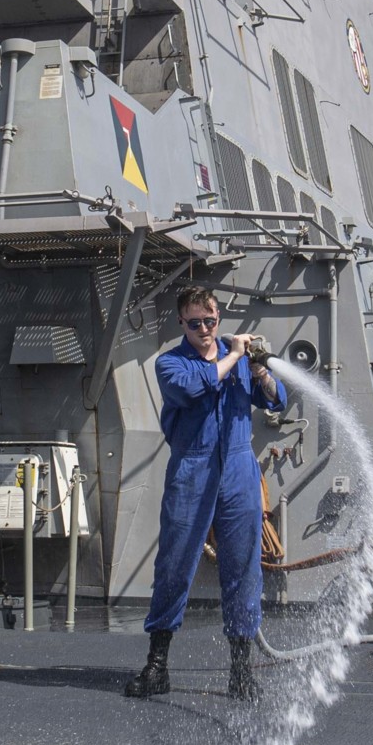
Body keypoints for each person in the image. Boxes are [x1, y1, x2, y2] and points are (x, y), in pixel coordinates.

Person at [123, 287, 287, 701]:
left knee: (243, 568)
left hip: (238, 469)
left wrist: (260, 371)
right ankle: (157, 666)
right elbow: (192, 389)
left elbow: (276, 400)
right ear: (182, 322)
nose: (203, 329)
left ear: (218, 318)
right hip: (192, 468)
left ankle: (240, 672)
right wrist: (234, 356)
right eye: (194, 322)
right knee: (174, 565)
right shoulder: (170, 363)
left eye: (210, 321)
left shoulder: (240, 360)